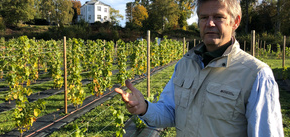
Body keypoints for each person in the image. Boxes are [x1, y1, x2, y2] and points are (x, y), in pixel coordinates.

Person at [115, 0, 284, 136]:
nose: (209, 23)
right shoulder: (185, 64)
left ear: (235, 21)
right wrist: (144, 107)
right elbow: (170, 112)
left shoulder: (256, 74)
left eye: (218, 17)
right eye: (204, 17)